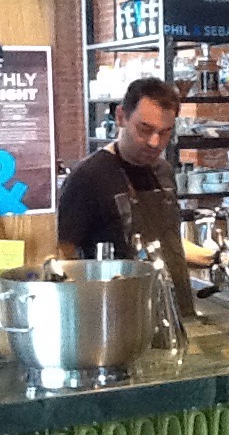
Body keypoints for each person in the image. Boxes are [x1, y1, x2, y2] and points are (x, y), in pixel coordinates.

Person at [58, 77, 212, 316]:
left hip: (176, 313)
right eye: (145, 129)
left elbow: (166, 241)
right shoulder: (88, 177)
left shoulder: (163, 171)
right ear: (121, 117)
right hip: (120, 318)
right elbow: (64, 256)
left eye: (164, 133)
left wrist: (214, 257)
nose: (155, 142)